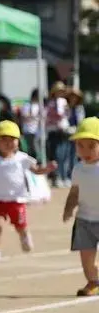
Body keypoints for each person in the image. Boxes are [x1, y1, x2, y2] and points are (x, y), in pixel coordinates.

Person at [0, 120, 55, 265]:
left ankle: (24, 234)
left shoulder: (22, 158)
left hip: (17, 200)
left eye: (12, 140)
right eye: (4, 139)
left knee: (20, 225)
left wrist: (47, 169)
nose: (8, 143)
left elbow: (37, 170)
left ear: (18, 142)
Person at [62, 117, 99, 297]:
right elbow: (75, 192)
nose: (85, 151)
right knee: (86, 257)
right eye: (80, 145)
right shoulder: (78, 169)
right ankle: (93, 281)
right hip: (84, 219)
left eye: (91, 145)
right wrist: (69, 208)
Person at [20, 88, 42, 160]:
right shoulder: (27, 105)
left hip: (38, 131)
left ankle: (37, 161)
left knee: (37, 148)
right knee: (31, 148)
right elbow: (25, 116)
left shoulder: (40, 106)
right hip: (28, 130)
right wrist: (33, 116)